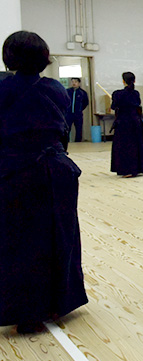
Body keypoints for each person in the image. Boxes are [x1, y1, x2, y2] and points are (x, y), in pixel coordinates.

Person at [0, 31, 88, 334]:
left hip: (17, 171)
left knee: (20, 240)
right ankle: (61, 301)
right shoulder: (55, 89)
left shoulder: (4, 89)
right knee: (60, 234)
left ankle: (27, 311)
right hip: (57, 169)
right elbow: (61, 131)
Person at [110, 72, 143, 178]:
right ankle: (138, 168)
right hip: (136, 122)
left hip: (124, 123)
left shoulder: (117, 94)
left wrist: (114, 100)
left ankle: (127, 170)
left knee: (124, 147)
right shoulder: (136, 93)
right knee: (136, 145)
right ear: (134, 81)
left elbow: (113, 106)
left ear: (123, 81)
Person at [65, 77, 89, 142]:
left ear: (79, 83)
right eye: (72, 82)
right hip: (68, 114)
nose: (74, 83)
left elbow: (86, 103)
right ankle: (66, 142)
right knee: (67, 129)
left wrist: (80, 109)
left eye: (75, 82)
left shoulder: (82, 93)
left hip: (78, 114)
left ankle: (78, 142)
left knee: (79, 129)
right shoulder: (67, 91)